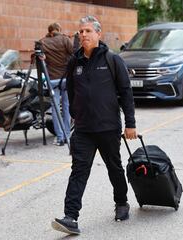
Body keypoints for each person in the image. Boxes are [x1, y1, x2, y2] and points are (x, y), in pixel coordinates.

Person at [51, 16, 137, 235]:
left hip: (108, 127)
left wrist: (130, 124)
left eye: (88, 31)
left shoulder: (112, 59)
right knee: (78, 172)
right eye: (81, 32)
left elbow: (126, 92)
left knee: (114, 168)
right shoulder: (75, 62)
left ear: (99, 34)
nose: (83, 35)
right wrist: (74, 113)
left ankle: (121, 203)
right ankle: (70, 217)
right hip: (83, 130)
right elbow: (70, 90)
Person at [39, 23, 73, 146]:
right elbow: (73, 53)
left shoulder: (43, 42)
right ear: (59, 29)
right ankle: (67, 136)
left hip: (52, 79)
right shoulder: (65, 39)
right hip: (66, 78)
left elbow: (38, 57)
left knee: (55, 108)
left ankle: (59, 137)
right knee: (67, 107)